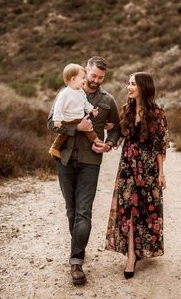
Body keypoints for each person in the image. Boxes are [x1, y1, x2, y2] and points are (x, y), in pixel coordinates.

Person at [47, 56, 120, 285]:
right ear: (85, 71)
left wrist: (108, 144)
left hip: (91, 162)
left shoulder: (108, 100)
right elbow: (52, 123)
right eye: (93, 75)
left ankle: (76, 261)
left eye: (101, 77)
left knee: (83, 211)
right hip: (65, 159)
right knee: (71, 209)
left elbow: (117, 129)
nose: (96, 80)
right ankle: (78, 246)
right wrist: (75, 127)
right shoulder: (66, 93)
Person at [105, 72, 170, 279]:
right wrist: (105, 140)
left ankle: (141, 249)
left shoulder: (158, 113)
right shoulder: (127, 110)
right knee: (128, 211)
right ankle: (130, 256)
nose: (128, 87)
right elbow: (119, 136)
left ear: (143, 87)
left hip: (149, 170)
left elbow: (160, 145)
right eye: (128, 83)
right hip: (127, 169)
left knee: (145, 211)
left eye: (132, 83)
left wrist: (161, 173)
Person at [49, 63, 101, 158]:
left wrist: (91, 110)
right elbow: (58, 107)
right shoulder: (65, 93)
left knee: (88, 127)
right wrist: (57, 119)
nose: (85, 80)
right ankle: (54, 148)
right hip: (68, 119)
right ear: (73, 79)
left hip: (79, 118)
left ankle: (96, 141)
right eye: (82, 78)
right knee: (63, 135)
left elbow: (85, 103)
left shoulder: (80, 91)